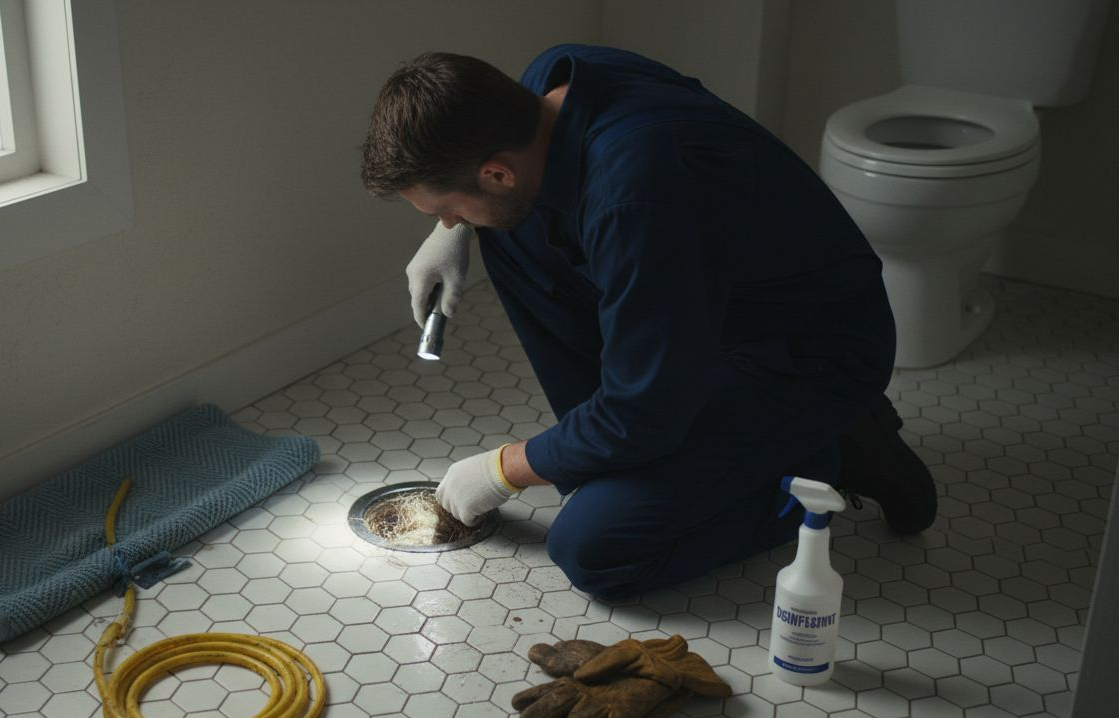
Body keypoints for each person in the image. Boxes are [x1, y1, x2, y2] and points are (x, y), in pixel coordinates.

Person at [359, 44, 937, 600]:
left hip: (809, 352)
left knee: (594, 549)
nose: (450, 220)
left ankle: (838, 455)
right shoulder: (547, 86)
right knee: (509, 234)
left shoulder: (636, 196)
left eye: (444, 209)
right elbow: (509, 194)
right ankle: (621, 454)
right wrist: (454, 230)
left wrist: (504, 469)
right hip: (711, 301)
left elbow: (645, 409)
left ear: (496, 173)